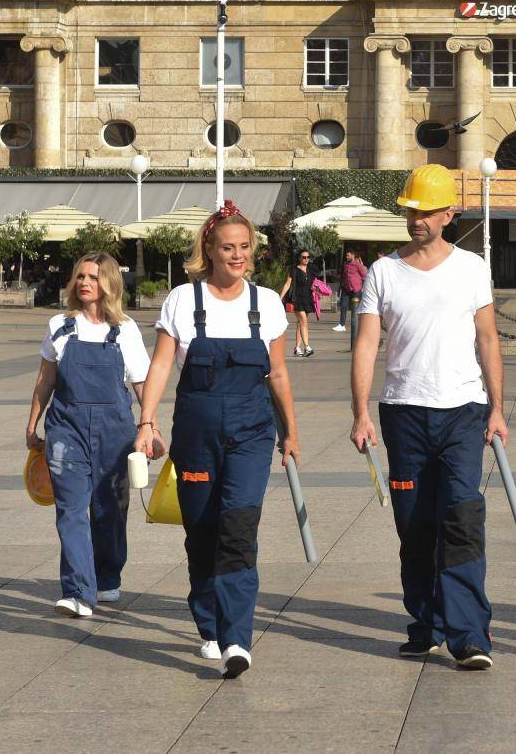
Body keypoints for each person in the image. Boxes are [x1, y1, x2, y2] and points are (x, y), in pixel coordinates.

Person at [351, 164, 506, 670]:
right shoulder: (383, 271)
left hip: (462, 410)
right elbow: (368, 342)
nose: (414, 219)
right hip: (403, 413)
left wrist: (498, 409)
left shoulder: (471, 268)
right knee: (414, 526)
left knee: (461, 519)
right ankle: (426, 623)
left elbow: (487, 339)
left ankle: (469, 636)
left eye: (424, 211)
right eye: (410, 210)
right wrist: (360, 412)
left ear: (448, 214)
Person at [137, 202, 299, 679]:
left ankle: (236, 637)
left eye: (245, 247)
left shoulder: (266, 302)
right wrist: (146, 422)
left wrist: (290, 430)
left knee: (238, 529)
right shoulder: (183, 301)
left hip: (250, 434)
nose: (237, 256)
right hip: (196, 434)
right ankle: (209, 623)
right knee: (203, 532)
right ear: (208, 249)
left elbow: (279, 372)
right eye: (228, 247)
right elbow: (163, 364)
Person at [24, 252, 149, 620]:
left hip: (116, 430)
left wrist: (150, 426)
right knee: (71, 508)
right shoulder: (59, 325)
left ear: (108, 282)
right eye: (80, 276)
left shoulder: (125, 329)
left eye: (92, 277)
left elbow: (141, 383)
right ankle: (79, 590)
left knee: (110, 510)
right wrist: (32, 423)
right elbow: (46, 379)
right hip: (67, 427)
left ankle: (107, 576)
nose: (84, 282)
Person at [280, 249, 315, 358]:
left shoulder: (310, 270)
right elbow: (287, 284)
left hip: (307, 299)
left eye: (308, 257)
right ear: (299, 258)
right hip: (297, 299)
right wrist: (279, 297)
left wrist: (315, 289)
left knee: (300, 324)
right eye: (303, 257)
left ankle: (297, 348)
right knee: (304, 322)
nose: (306, 259)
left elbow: (312, 284)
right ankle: (307, 347)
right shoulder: (294, 270)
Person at [334, 247, 368, 344]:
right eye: (346, 255)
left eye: (348, 255)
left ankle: (359, 326)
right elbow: (343, 276)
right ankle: (342, 325)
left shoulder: (357, 264)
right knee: (343, 306)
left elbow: (364, 275)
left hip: (356, 289)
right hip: (346, 288)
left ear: (353, 255)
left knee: (356, 310)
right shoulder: (345, 264)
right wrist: (341, 286)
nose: (346, 257)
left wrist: (363, 287)